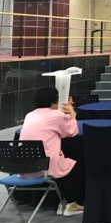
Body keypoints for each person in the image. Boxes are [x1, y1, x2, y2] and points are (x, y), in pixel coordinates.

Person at [19, 87, 84, 216]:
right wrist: (72, 113)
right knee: (77, 167)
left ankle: (61, 201)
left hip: (24, 166)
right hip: (45, 165)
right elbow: (71, 132)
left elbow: (50, 120)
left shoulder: (29, 115)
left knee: (64, 164)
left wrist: (62, 113)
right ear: (53, 101)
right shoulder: (57, 116)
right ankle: (72, 203)